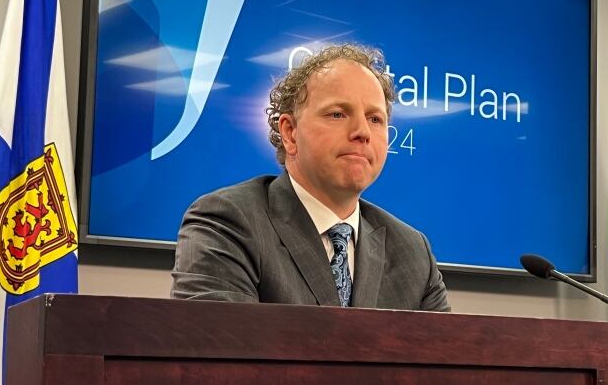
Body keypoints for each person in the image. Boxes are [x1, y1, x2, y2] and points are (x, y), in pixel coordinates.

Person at [170, 44, 449, 311]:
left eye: (375, 119)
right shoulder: (227, 222)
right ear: (290, 133)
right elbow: (218, 351)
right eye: (338, 114)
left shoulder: (413, 252)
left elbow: (445, 358)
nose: (362, 132)